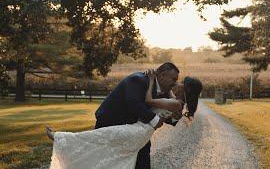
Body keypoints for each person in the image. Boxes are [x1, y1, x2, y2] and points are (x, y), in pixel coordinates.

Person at [47, 66, 203, 169]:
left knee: (139, 162)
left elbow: (158, 107)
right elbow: (134, 103)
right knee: (98, 152)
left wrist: (168, 117)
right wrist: (156, 121)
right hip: (112, 122)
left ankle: (60, 138)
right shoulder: (138, 80)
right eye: (174, 79)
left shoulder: (164, 90)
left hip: (137, 130)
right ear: (161, 75)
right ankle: (63, 141)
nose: (176, 83)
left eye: (179, 81)